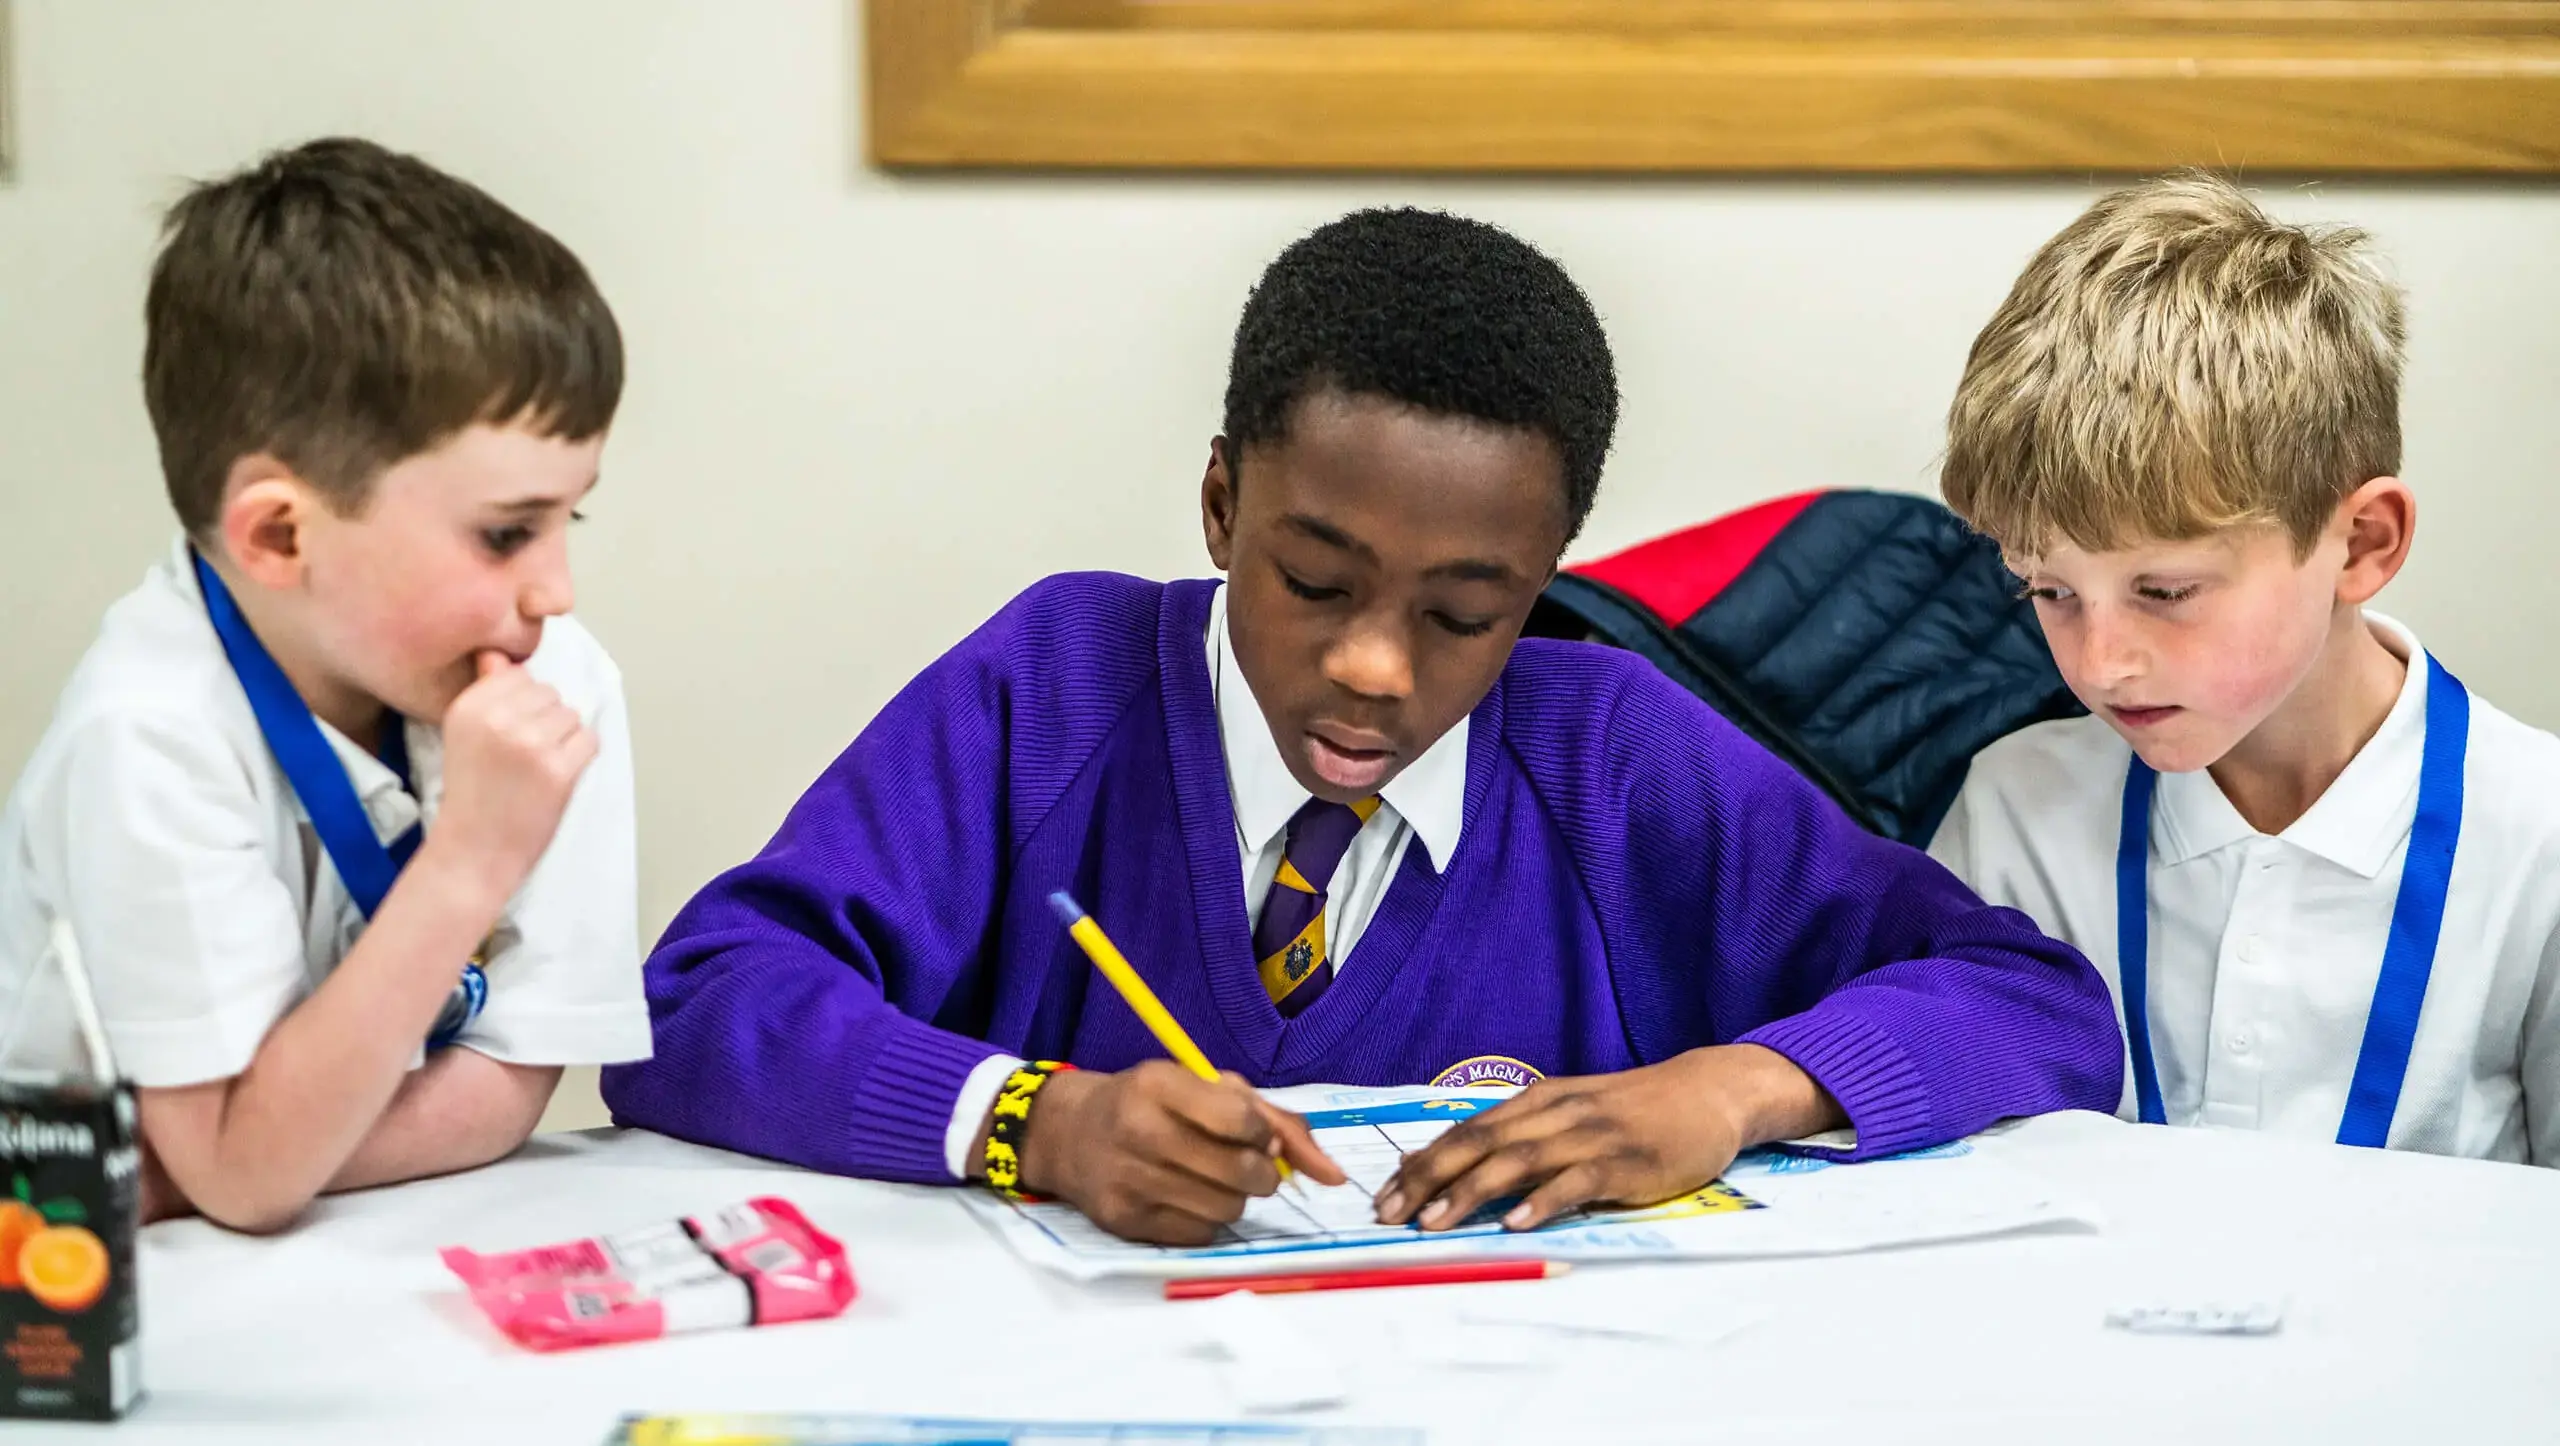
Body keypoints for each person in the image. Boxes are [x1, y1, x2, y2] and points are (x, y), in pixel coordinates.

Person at [605, 207, 2121, 1243]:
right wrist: (1032, 1122)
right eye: (1317, 581)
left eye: (1469, 614)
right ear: (1219, 505)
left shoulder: (1609, 753)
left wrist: (1727, 1089)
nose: (1380, 667)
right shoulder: (1053, 686)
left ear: (1543, 585)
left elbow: (2032, 1000)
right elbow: (695, 1003)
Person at [0, 137, 652, 1230]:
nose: (556, 592)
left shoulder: (557, 685)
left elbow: (509, 1089)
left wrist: (221, 1160)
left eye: (565, 517)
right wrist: (472, 862)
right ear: (280, 533)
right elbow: (248, 1181)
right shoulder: (146, 732)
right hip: (91, 1292)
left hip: (311, 1247)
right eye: (506, 533)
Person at [1931, 171, 2560, 1164]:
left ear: (2359, 543)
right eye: (2048, 592)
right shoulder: (2015, 810)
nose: (2099, 664)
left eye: (2166, 592)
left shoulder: (2538, 838)